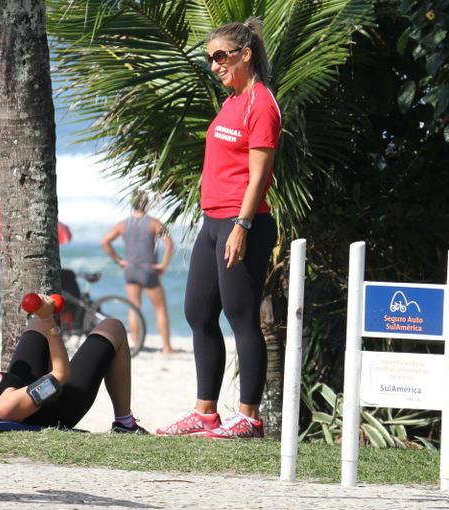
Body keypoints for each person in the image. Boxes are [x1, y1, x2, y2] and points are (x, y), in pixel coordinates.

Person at [156, 18, 281, 439]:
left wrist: (242, 225)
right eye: (210, 58)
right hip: (214, 220)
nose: (214, 65)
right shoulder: (232, 101)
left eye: (220, 56)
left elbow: (260, 176)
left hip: (242, 221)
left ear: (245, 54)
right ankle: (205, 412)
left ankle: (249, 417)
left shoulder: (262, 104)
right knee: (197, 312)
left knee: (242, 317)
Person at [0, 294, 148, 435]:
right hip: (64, 402)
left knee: (35, 325)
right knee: (113, 327)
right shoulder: (7, 406)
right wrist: (49, 321)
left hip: (20, 382)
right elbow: (60, 376)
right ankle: (124, 423)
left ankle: (42, 319)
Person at [102, 191, 176, 354]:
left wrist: (119, 260)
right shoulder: (154, 223)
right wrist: (164, 264)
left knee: (134, 307)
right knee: (160, 309)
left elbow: (105, 241)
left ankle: (136, 345)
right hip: (148, 270)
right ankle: (167, 347)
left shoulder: (123, 224)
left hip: (131, 270)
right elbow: (169, 243)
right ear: (147, 204)